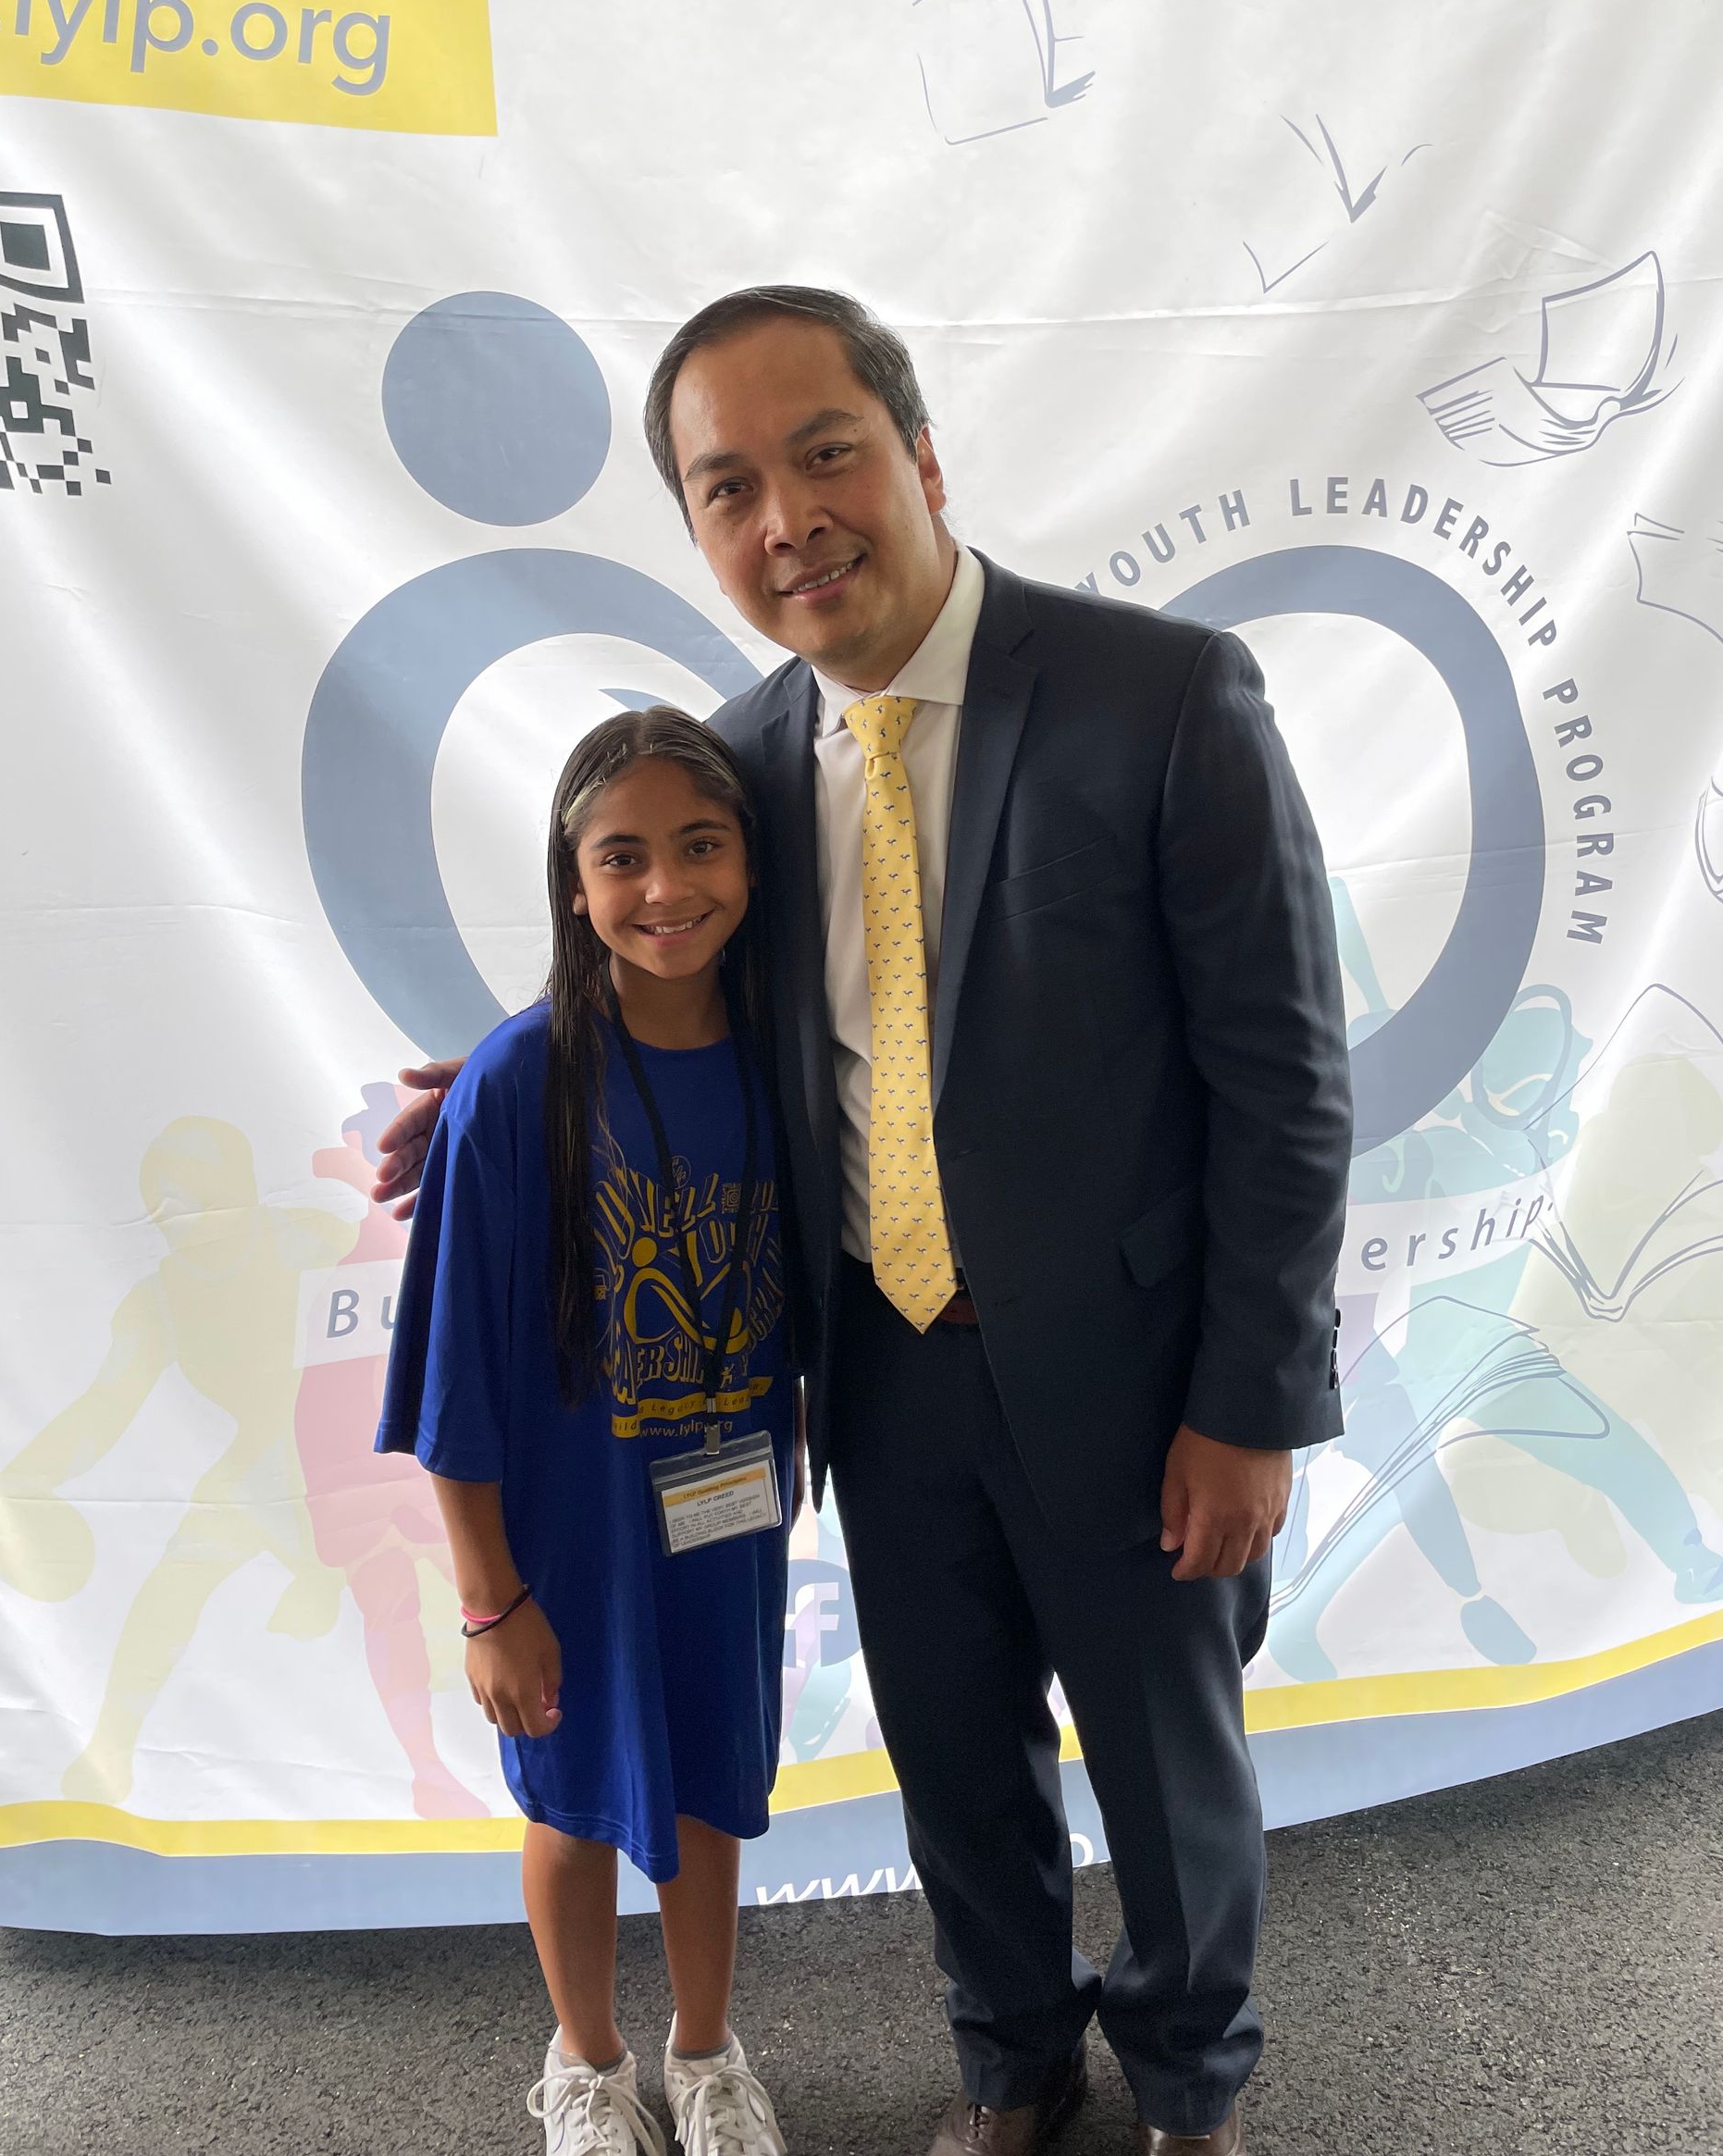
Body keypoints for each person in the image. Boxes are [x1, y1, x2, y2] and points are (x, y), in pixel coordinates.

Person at [378, 290, 1353, 2156]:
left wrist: (1251, 1403)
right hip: (878, 1371)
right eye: (725, 484)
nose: (785, 517)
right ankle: (1009, 2059)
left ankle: (1186, 2089)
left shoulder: (1159, 696)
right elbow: (672, 965)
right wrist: (509, 1070)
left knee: (1170, 1777)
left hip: (1146, 1384)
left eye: (822, 452)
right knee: (954, 1758)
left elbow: (1287, 1079)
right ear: (697, 527)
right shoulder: (744, 756)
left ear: (917, 454)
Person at [377, 707, 798, 2156]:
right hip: (569, 1537)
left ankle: (704, 2052)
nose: (666, 889)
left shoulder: (785, 1058)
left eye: (701, 846)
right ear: (573, 883)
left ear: (753, 858)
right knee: (568, 1802)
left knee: (704, 1791)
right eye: (624, 858)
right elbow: (450, 1383)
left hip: (725, 1511)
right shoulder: (518, 1085)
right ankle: (587, 2060)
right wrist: (491, 1600)